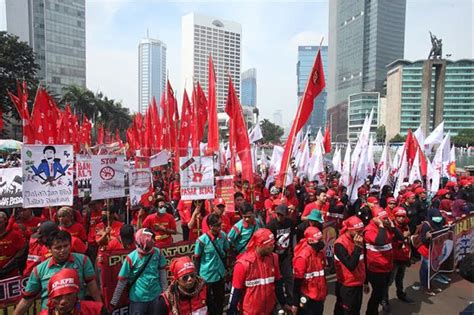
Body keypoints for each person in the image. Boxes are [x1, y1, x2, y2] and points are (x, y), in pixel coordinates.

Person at [14, 230, 101, 313]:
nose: (62, 250)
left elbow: (93, 287)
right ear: (49, 248)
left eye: (66, 246)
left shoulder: (83, 260)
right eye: (58, 248)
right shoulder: (38, 270)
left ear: (70, 245)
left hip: (77, 311)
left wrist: (101, 308)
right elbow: (27, 299)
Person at [228, 228, 292, 315]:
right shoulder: (242, 264)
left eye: (273, 244)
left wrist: (283, 303)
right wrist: (231, 312)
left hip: (269, 310)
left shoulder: (274, 258)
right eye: (270, 245)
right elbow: (235, 292)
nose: (273, 247)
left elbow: (278, 284)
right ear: (260, 245)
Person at [110, 228, 168, 313]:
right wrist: (114, 301)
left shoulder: (158, 253)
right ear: (142, 242)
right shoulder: (131, 258)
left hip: (156, 297)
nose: (154, 242)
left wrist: (165, 294)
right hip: (138, 300)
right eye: (151, 241)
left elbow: (163, 275)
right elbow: (122, 282)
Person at [364, 206, 399, 315]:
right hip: (376, 269)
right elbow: (380, 241)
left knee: (383, 290)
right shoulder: (369, 230)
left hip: (387, 266)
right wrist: (381, 226)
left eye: (386, 218)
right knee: (376, 294)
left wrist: (392, 227)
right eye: (383, 218)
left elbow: (399, 237)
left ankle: (383, 302)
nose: (386, 220)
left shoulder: (386, 227)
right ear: (375, 219)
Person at [195, 213, 230, 315]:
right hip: (206, 276)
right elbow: (197, 259)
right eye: (218, 225)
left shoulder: (223, 236)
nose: (221, 226)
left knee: (220, 299)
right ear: (211, 226)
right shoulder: (202, 240)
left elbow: (227, 250)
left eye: (221, 224)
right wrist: (197, 277)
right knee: (208, 302)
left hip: (220, 274)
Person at [333, 216, 367, 315]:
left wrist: (365, 281)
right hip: (347, 286)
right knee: (345, 312)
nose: (360, 234)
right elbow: (351, 265)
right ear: (349, 230)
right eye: (358, 231)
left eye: (362, 231)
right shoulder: (340, 244)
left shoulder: (359, 239)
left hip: (358, 282)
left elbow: (362, 261)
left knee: (356, 310)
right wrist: (357, 247)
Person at [382, 208, 414, 307]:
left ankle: (401, 294)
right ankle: (384, 299)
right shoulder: (391, 227)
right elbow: (389, 240)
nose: (401, 219)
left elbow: (408, 242)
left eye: (403, 216)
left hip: (403, 257)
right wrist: (402, 237)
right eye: (399, 216)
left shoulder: (406, 226)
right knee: (389, 281)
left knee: (400, 278)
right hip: (394, 258)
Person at [292, 227, 327, 315]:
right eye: (318, 240)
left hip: (319, 298)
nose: (321, 242)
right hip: (307, 300)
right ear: (311, 241)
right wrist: (295, 304)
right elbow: (296, 283)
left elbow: (322, 276)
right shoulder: (303, 258)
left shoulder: (320, 253)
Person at [40, 268, 105, 315]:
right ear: (51, 299)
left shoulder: (96, 310)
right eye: (58, 297)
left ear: (76, 293)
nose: (63, 301)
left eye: (69, 294)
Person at [266, 204, 295, 303]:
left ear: (286, 215)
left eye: (281, 215)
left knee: (289, 277)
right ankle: (275, 301)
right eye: (278, 214)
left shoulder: (290, 223)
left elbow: (292, 237)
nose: (279, 216)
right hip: (274, 257)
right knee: (274, 279)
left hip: (286, 255)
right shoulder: (271, 225)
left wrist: (293, 252)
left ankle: (291, 298)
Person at [0, 211, 27, 278]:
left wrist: (10, 264)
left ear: (5, 220)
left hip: (11, 272)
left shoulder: (14, 234)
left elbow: (22, 250)